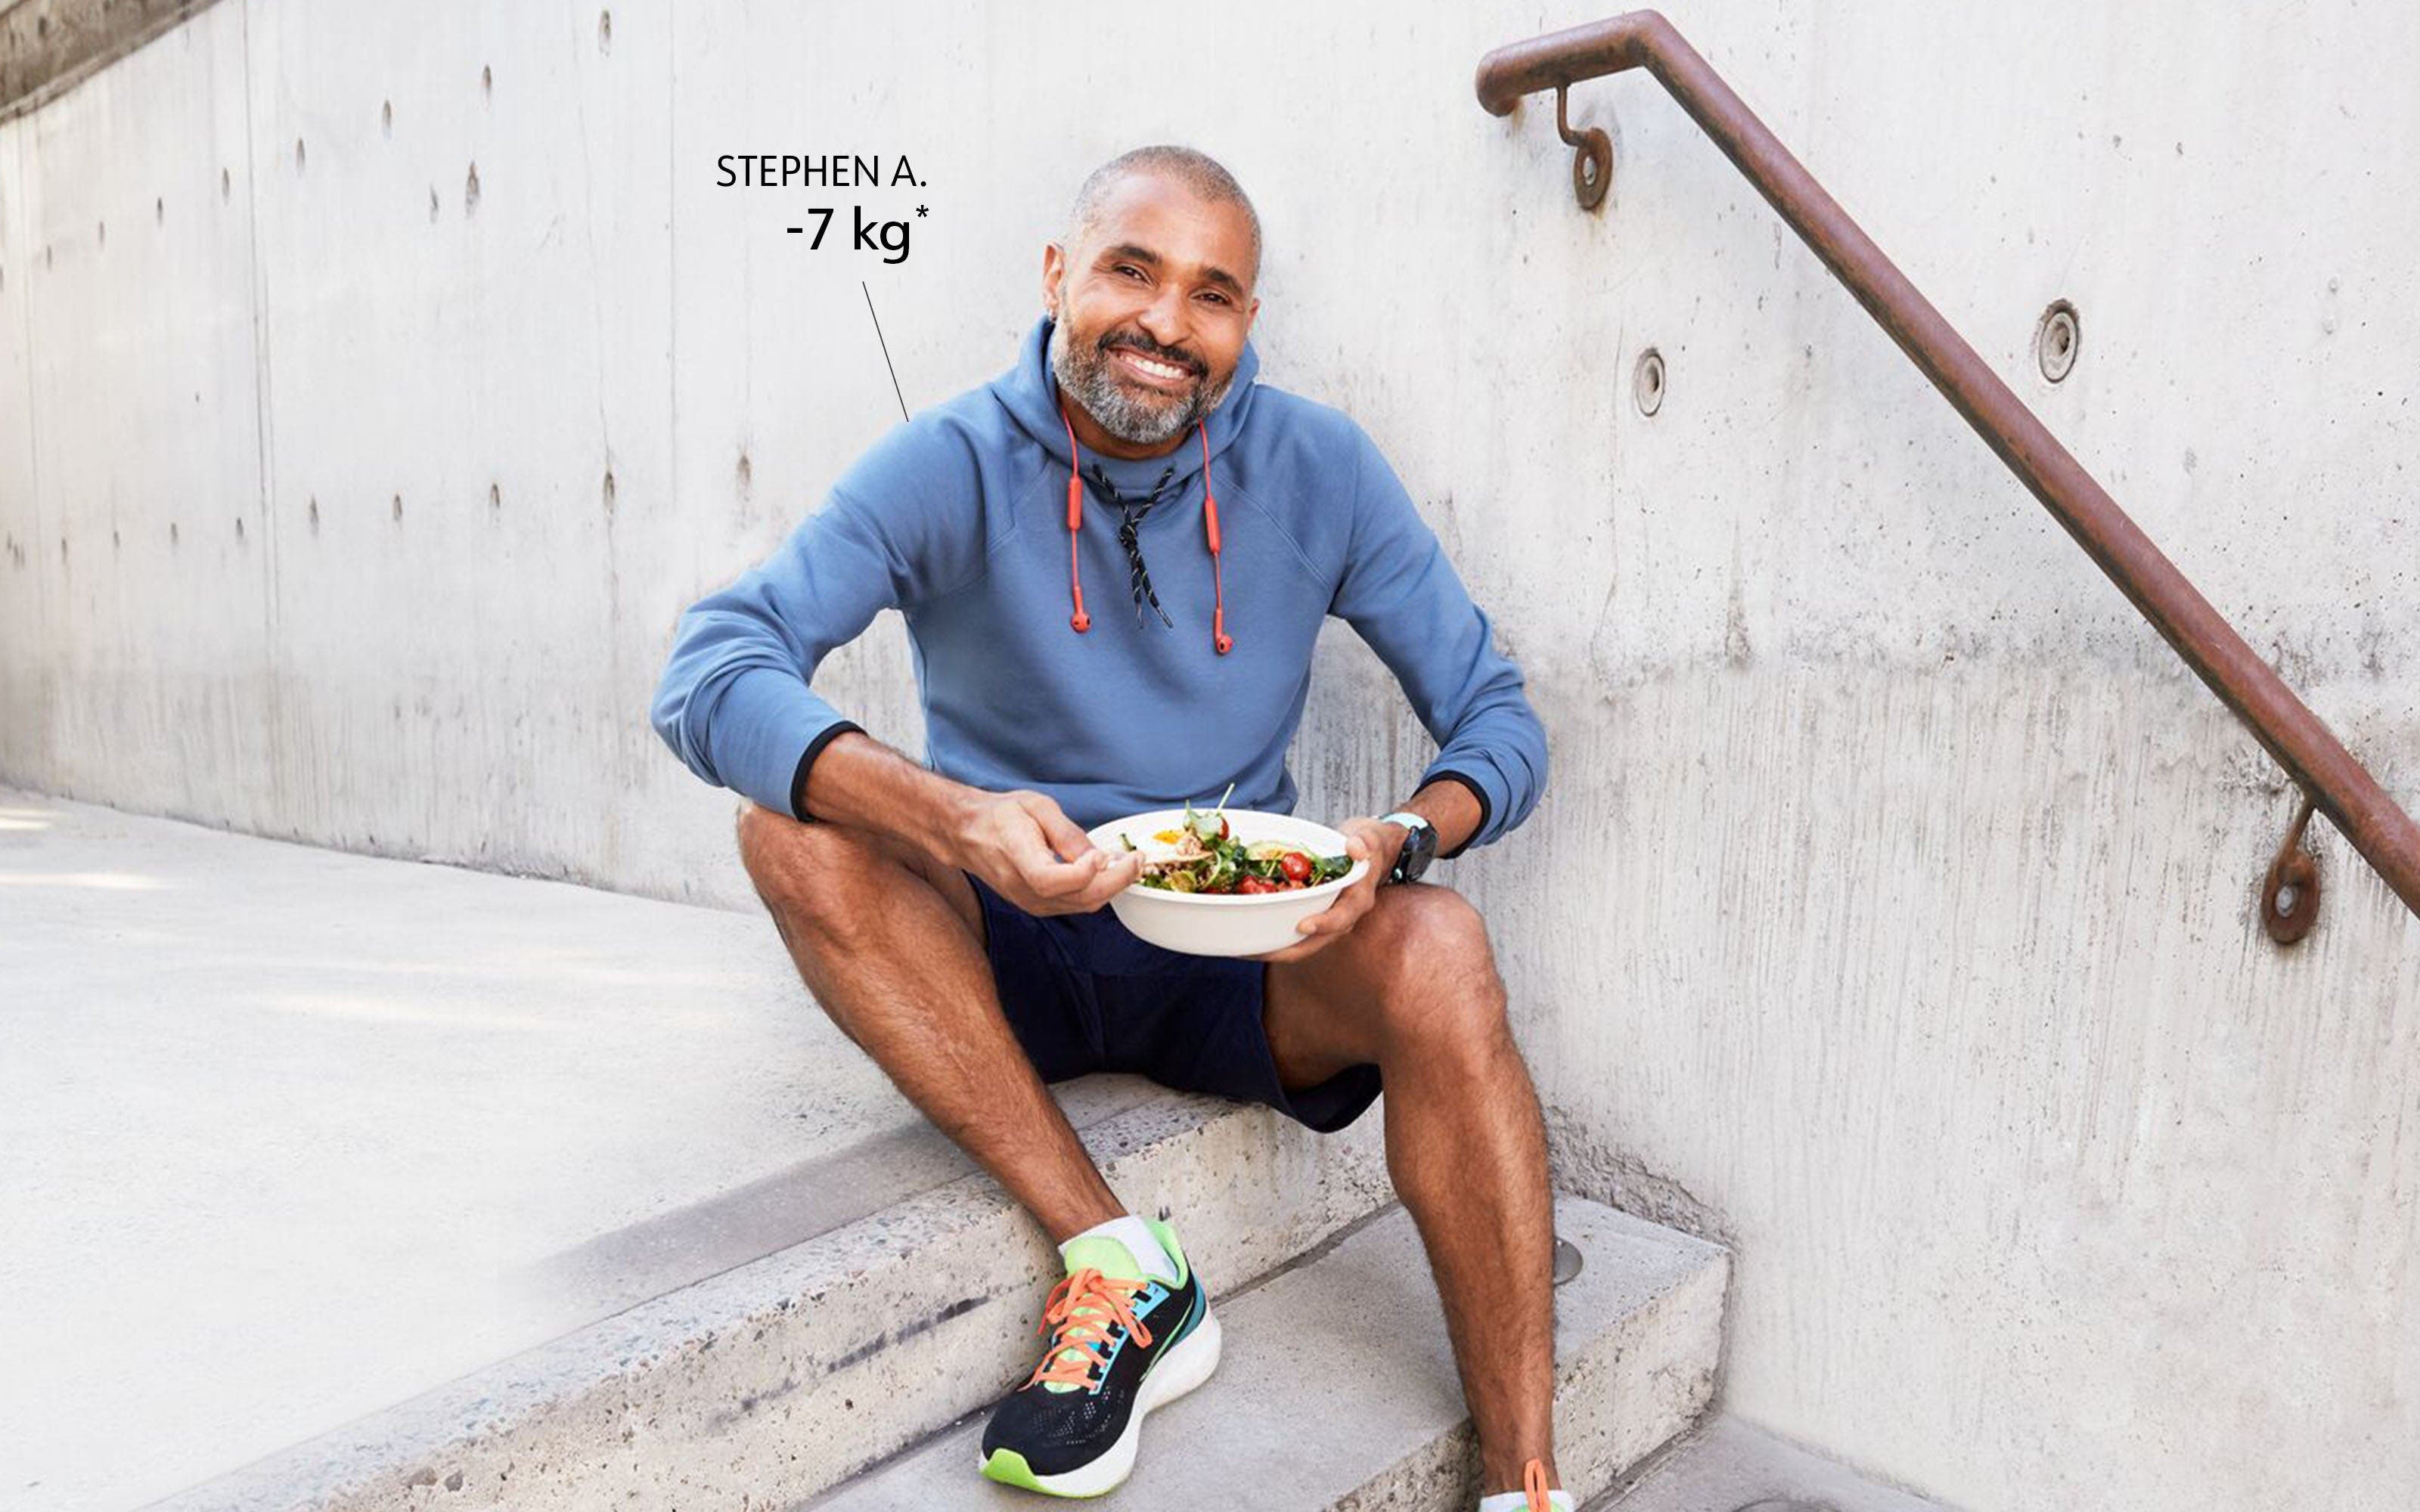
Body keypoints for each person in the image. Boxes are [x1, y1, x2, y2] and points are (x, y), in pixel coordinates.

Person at [650, 144, 1565, 1510]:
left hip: (1239, 955)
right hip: (1009, 945)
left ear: (1245, 322)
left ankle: (1524, 1483)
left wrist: (1399, 839)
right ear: (1057, 274)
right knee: (792, 835)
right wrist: (955, 820)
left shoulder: (1320, 467)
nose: (1164, 325)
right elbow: (710, 667)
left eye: (1212, 294)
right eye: (1131, 270)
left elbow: (1500, 720)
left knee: (1441, 949)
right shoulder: (949, 458)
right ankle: (1125, 1266)